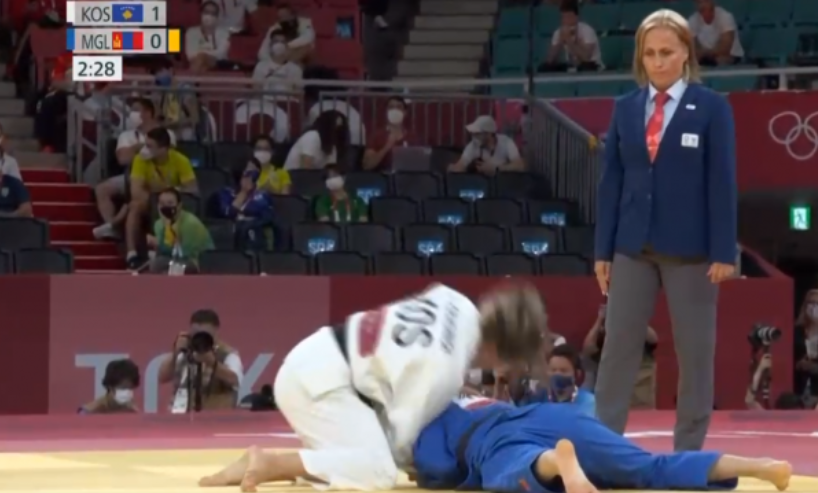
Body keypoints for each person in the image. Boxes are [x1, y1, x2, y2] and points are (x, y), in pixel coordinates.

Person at [199, 282, 549, 491]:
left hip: (318, 354)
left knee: (359, 455)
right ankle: (271, 463)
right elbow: (402, 444)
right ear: (504, 353)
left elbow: (426, 301)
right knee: (378, 471)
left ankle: (301, 462)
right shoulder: (445, 373)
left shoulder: (456, 300)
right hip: (321, 385)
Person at [593, 9, 737, 452]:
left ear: (685, 53)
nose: (658, 61)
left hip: (692, 251)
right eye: (650, 53)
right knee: (617, 349)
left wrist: (724, 251)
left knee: (695, 354)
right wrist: (602, 251)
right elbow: (611, 183)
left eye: (667, 52)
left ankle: (687, 453)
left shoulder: (712, 107)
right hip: (631, 246)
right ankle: (603, 446)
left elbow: (722, 182)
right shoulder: (625, 108)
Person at [409, 396, 792, 493]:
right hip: (552, 415)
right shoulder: (461, 393)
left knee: (515, 465)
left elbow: (440, 467)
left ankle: (558, 463)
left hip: (494, 439)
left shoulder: (422, 420)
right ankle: (759, 465)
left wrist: (422, 475)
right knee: (649, 466)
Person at [93, 98, 177, 240]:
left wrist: (138, 151)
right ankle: (112, 227)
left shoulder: (167, 134)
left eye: (136, 110)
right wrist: (143, 147)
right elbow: (123, 159)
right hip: (131, 175)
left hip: (161, 176)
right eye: (132, 110)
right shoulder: (126, 136)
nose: (132, 114)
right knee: (102, 189)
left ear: (148, 113)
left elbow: (166, 155)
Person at [125, 128, 198, 270]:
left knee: (172, 206)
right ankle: (132, 255)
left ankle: (172, 253)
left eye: (149, 146)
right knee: (134, 206)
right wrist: (157, 199)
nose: (145, 149)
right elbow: (135, 192)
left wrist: (173, 193)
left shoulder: (180, 160)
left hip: (173, 203)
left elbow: (193, 189)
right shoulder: (140, 159)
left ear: (163, 149)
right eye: (145, 145)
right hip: (149, 201)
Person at [156, 309, 243, 412]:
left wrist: (213, 363)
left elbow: (235, 380)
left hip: (215, 415)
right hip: (181, 413)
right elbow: (162, 377)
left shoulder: (227, 354)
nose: (201, 338)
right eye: (197, 334)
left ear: (216, 331)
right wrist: (175, 354)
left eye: (206, 335)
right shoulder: (185, 350)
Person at [516, 344, 596, 417]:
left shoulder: (588, 403)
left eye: (563, 371)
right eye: (553, 370)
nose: (557, 375)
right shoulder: (536, 400)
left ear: (577, 374)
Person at [147, 188, 214, 274]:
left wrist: (158, 244)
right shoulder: (158, 224)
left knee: (158, 264)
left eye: (170, 203)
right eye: (162, 204)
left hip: (195, 262)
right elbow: (164, 251)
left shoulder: (190, 223)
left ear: (179, 206)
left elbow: (184, 254)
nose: (165, 207)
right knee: (155, 263)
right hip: (172, 259)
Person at [217, 158, 275, 251]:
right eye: (248, 173)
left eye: (254, 173)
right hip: (231, 236)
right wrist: (244, 192)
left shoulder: (262, 195)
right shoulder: (226, 193)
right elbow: (228, 213)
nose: (251, 177)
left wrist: (245, 215)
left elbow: (267, 216)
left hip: (256, 235)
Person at [449, 116, 525, 175]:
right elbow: (461, 165)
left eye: (477, 134)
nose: (474, 137)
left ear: (489, 134)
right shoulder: (473, 145)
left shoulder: (506, 142)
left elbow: (520, 166)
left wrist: (496, 169)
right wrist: (454, 168)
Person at [541, 0, 602, 72]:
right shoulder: (558, 32)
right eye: (564, 17)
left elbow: (586, 58)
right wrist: (560, 42)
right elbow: (550, 60)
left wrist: (569, 41)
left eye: (569, 17)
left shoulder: (587, 30)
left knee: (586, 67)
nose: (566, 20)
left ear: (576, 17)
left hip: (591, 66)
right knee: (544, 68)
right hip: (570, 66)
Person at [362, 96, 417, 171]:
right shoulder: (376, 136)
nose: (395, 110)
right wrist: (387, 146)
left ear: (405, 112)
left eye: (399, 107)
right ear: (386, 112)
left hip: (405, 176)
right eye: (391, 107)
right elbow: (367, 165)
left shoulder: (412, 137)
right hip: (382, 176)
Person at [283, 112, 348, 170]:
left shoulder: (332, 147)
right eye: (335, 128)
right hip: (290, 176)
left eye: (340, 129)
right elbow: (304, 169)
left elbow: (330, 170)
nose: (338, 132)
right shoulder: (312, 136)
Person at [688, 0, 744, 66]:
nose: (703, 5)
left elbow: (726, 47)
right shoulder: (692, 20)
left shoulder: (725, 17)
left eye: (706, 1)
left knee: (721, 60)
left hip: (731, 56)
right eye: (699, 2)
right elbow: (693, 47)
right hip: (704, 58)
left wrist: (707, 54)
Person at [185, 1, 231, 73]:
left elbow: (221, 54)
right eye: (206, 12)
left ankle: (192, 78)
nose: (209, 16)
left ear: (217, 17)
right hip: (197, 63)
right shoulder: (191, 32)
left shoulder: (224, 33)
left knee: (200, 60)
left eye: (213, 13)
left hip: (218, 65)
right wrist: (204, 57)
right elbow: (190, 55)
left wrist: (203, 56)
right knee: (200, 64)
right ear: (200, 14)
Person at [793, 289, 818, 407]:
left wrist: (813, 367)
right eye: (811, 303)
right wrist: (799, 364)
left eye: (817, 303)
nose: (813, 307)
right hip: (798, 388)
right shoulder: (797, 331)